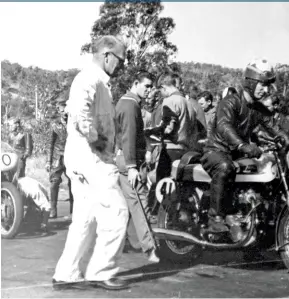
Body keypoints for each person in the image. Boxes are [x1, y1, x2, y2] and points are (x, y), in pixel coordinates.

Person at [53, 36, 129, 291]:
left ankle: (66, 273)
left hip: (86, 158)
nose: (122, 65)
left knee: (84, 219)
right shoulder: (89, 78)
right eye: (120, 59)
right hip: (90, 159)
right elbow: (78, 112)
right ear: (107, 55)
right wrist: (95, 138)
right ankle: (101, 271)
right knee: (117, 212)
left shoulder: (99, 82)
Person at [201, 59, 289, 233]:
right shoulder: (230, 102)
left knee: (265, 168)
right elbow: (225, 127)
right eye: (262, 85)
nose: (265, 90)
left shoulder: (258, 108)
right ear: (251, 82)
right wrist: (242, 145)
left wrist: (287, 140)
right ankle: (215, 218)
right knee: (225, 167)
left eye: (267, 86)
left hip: (236, 153)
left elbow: (273, 126)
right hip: (216, 151)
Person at [115, 71, 159, 262]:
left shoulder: (127, 103)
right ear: (135, 83)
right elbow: (128, 137)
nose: (149, 90)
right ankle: (150, 248)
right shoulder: (130, 105)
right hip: (129, 162)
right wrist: (132, 166)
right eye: (146, 86)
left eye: (151, 87)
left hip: (127, 160)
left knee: (129, 205)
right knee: (140, 203)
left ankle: (128, 242)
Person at [145, 72, 197, 181]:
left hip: (170, 151)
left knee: (163, 188)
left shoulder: (169, 101)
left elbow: (168, 128)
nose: (160, 94)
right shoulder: (189, 104)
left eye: (160, 91)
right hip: (186, 152)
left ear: (163, 88)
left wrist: (150, 132)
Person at [46, 97, 73, 219]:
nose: (64, 113)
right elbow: (50, 144)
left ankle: (74, 209)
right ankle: (53, 209)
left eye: (65, 110)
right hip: (57, 157)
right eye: (62, 110)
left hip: (71, 156)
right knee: (54, 182)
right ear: (59, 111)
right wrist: (48, 161)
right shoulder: (54, 125)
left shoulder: (73, 123)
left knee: (73, 182)